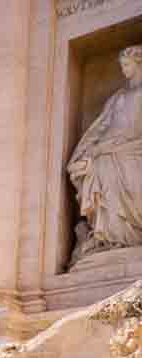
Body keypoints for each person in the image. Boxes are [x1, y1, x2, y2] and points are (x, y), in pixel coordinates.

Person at [67, 44, 142, 259]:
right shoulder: (118, 96)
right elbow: (101, 127)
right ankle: (108, 237)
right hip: (107, 150)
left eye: (126, 65)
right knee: (92, 170)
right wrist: (88, 150)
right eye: (121, 65)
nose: (123, 70)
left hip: (133, 150)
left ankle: (131, 238)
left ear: (138, 64)